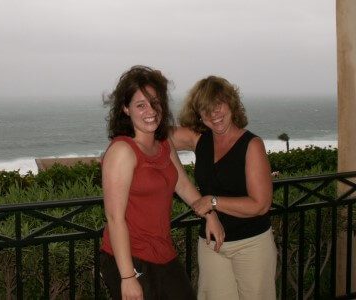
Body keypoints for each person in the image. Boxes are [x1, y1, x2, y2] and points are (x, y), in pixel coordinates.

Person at [100, 66, 224, 300]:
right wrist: (127, 277)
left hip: (162, 251)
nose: (151, 111)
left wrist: (210, 215)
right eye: (141, 105)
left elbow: (183, 185)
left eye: (155, 103)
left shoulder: (163, 144)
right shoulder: (122, 152)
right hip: (130, 257)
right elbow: (115, 218)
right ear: (125, 109)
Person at [170, 75, 277, 300]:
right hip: (211, 245)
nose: (214, 114)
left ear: (231, 103)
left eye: (218, 105)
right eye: (206, 109)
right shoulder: (199, 139)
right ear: (199, 114)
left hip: (251, 245)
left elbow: (261, 204)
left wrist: (212, 201)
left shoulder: (251, 145)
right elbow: (156, 135)